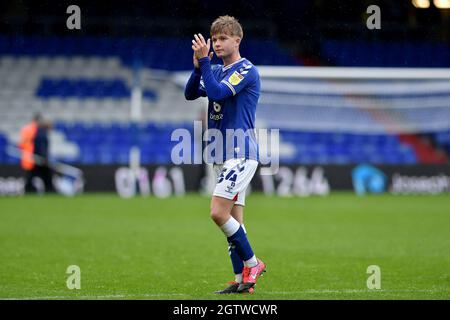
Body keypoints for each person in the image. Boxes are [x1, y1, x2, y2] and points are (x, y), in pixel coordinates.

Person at [184, 16, 266, 294]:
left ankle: (253, 263)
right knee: (235, 222)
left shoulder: (246, 70)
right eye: (214, 39)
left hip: (241, 151)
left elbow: (218, 93)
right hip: (222, 153)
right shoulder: (215, 70)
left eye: (222, 39)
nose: (216, 43)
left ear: (237, 41)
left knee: (218, 213)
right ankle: (242, 279)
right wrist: (198, 67)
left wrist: (205, 63)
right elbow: (191, 93)